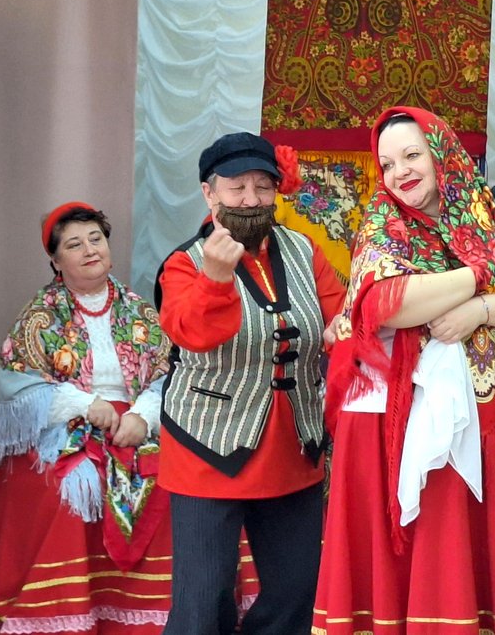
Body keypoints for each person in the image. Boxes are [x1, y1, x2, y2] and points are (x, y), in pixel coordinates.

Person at [312, 106, 495, 634]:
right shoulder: (383, 226)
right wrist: (479, 273)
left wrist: (482, 310)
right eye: (388, 164)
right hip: (391, 423)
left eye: (412, 155)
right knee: (411, 558)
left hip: (481, 419)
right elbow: (389, 303)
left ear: (443, 156)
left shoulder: (489, 222)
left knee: (466, 555)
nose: (400, 173)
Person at [155, 132, 345, 635]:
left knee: (296, 593)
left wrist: (340, 334)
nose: (250, 199)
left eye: (262, 186)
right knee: (203, 602)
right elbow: (192, 334)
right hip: (207, 448)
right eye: (236, 186)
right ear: (209, 193)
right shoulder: (184, 263)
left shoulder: (305, 251)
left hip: (294, 448)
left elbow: (340, 318)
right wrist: (216, 278)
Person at [0, 201, 173, 634]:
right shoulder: (40, 315)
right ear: (55, 260)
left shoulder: (138, 310)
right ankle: (67, 612)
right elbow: (17, 383)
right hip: (64, 424)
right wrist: (85, 405)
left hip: (134, 423)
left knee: (172, 476)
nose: (89, 250)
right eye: (74, 244)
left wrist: (142, 416)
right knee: (69, 486)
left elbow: (167, 376)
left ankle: (150, 613)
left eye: (96, 239)